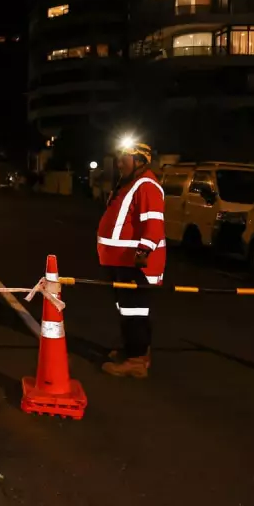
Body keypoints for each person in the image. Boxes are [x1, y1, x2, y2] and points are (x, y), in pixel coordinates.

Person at [96, 142, 165, 378]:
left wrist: (141, 257)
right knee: (127, 310)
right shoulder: (129, 184)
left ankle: (136, 360)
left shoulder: (146, 185)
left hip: (134, 263)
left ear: (139, 161)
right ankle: (134, 351)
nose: (119, 163)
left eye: (124, 158)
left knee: (135, 310)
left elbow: (153, 225)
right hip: (120, 261)